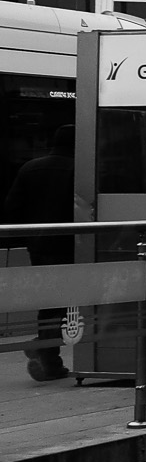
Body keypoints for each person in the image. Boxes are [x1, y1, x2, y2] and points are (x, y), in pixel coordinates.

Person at [1, 127, 76, 381]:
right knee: (67, 303)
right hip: (71, 246)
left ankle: (44, 349)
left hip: (40, 246)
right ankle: (46, 354)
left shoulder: (29, 168)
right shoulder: (79, 170)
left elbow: (12, 208)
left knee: (49, 302)